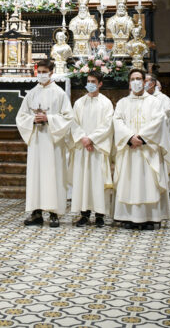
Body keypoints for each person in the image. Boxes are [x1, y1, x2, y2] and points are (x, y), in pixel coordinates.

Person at [112, 69, 170, 230]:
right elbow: (117, 121)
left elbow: (159, 121)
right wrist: (129, 137)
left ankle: (150, 218)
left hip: (148, 150)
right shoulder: (123, 103)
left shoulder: (155, 102)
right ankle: (128, 217)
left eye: (139, 78)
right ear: (129, 83)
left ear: (145, 82)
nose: (136, 81)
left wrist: (143, 138)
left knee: (148, 182)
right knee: (129, 181)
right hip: (129, 149)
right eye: (133, 79)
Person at [17, 59, 73, 227]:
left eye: (44, 71)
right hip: (36, 140)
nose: (40, 74)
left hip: (53, 141)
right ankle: (36, 212)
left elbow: (68, 118)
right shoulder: (32, 93)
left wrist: (48, 118)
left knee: (53, 176)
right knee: (36, 176)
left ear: (51, 72)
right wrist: (32, 120)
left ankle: (54, 213)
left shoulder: (59, 93)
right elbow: (21, 116)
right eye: (38, 71)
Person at [68, 71, 113, 227]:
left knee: (98, 181)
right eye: (88, 81)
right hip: (82, 148)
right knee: (83, 181)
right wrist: (83, 138)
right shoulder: (79, 103)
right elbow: (73, 123)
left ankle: (100, 215)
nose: (90, 84)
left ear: (100, 84)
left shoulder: (106, 103)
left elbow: (107, 125)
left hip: (97, 149)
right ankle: (84, 214)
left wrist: (91, 139)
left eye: (93, 81)